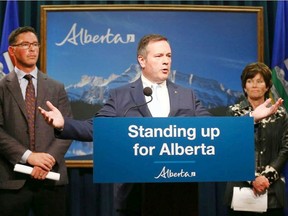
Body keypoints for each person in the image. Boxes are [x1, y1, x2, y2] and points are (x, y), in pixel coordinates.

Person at [39, 35, 283, 215]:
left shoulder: (186, 95)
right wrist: (64, 124)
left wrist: (250, 118)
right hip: (136, 196)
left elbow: (213, 130)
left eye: (169, 56)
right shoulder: (121, 95)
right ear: (142, 60)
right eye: (159, 56)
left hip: (180, 196)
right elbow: (97, 128)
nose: (166, 61)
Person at [0, 26, 72, 216]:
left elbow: (67, 129)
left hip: (51, 178)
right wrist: (28, 157)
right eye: (25, 44)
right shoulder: (1, 87)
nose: (32, 49)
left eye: (35, 44)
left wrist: (45, 162)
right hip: (12, 180)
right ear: (12, 51)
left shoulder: (56, 87)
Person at [224, 62, 288, 216]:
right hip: (240, 191)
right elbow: (231, 149)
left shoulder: (280, 113)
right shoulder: (233, 113)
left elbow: (286, 148)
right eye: (250, 81)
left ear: (267, 86)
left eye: (260, 81)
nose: (254, 85)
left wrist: (266, 177)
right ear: (244, 86)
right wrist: (252, 178)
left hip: (272, 192)